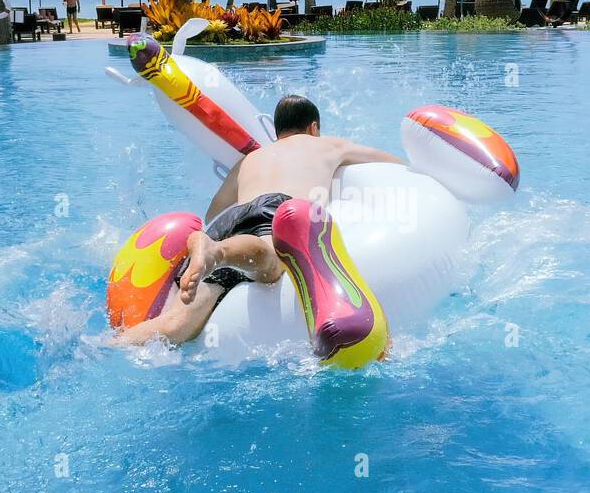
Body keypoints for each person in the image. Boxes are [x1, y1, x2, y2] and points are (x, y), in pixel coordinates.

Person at [119, 95, 404, 346]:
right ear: (314, 127)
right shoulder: (328, 145)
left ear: (278, 131)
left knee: (176, 326)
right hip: (275, 210)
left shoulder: (249, 160)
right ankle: (216, 252)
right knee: (270, 263)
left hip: (227, 224)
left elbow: (214, 211)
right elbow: (391, 163)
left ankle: (112, 343)